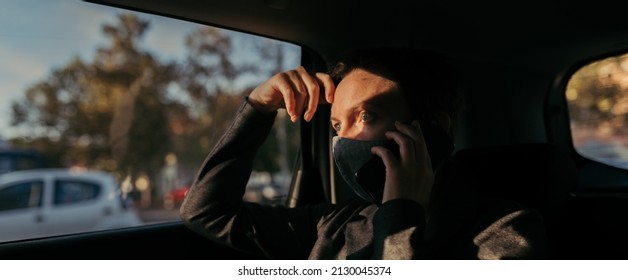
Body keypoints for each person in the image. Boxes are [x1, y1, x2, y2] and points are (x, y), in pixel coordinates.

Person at [180, 47, 548, 259]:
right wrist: (258, 109)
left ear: (434, 126)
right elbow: (206, 213)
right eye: (337, 126)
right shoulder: (336, 224)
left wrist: (400, 216)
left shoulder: (506, 232)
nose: (342, 140)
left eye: (366, 116)